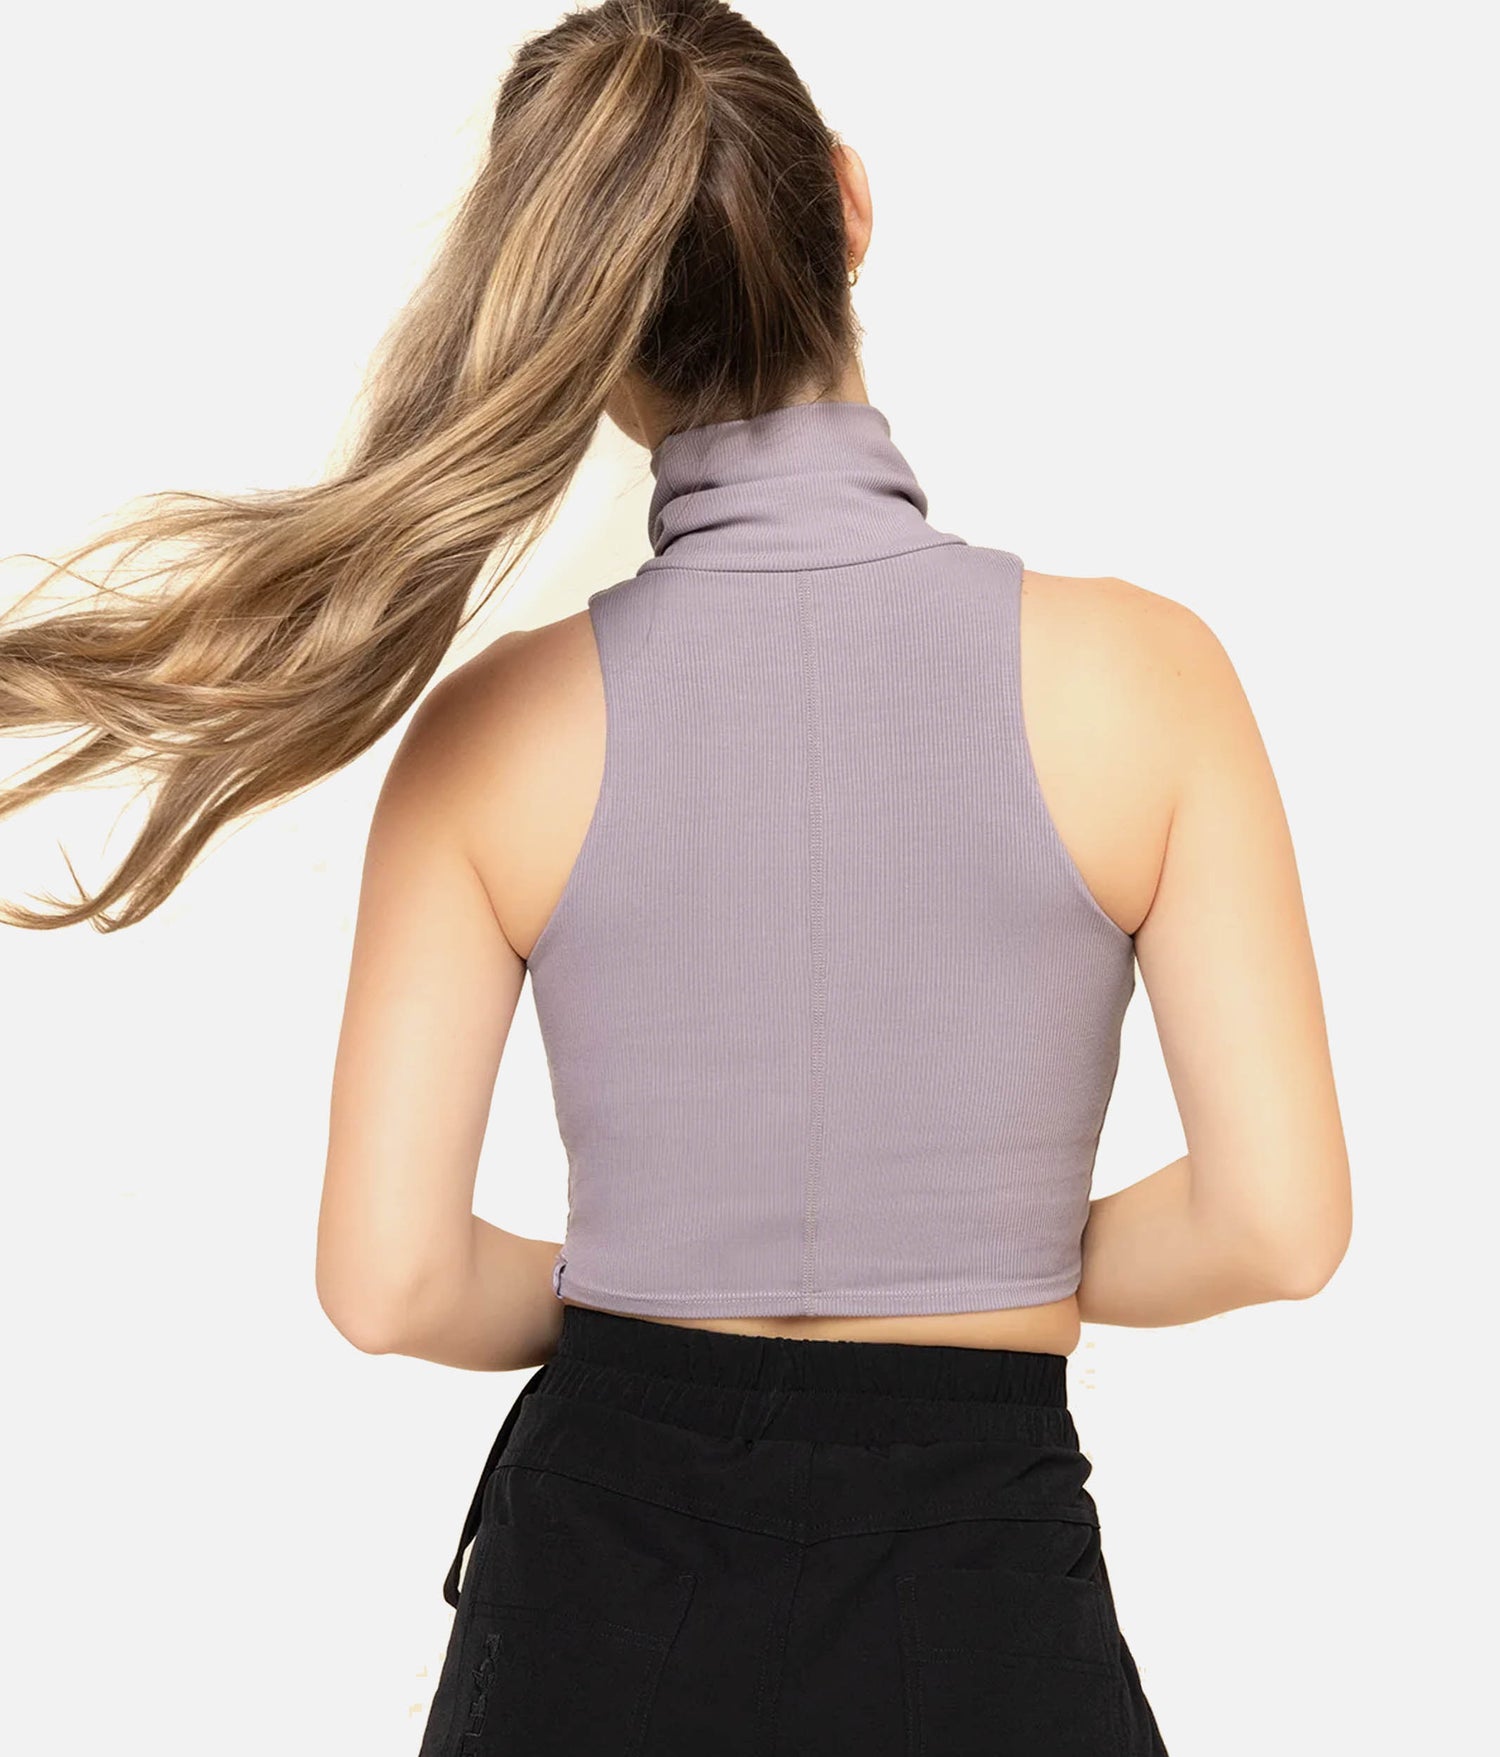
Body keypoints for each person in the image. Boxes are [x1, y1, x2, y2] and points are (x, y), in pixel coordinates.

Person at [0, 2, 1351, 1751]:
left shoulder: (495, 736)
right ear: (848, 203)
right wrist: (987, 1257)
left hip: (593, 1609)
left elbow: (391, 1280)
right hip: (984, 1600)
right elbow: (1275, 1222)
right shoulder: (1147, 681)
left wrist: (660, 1281)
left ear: (587, 336)